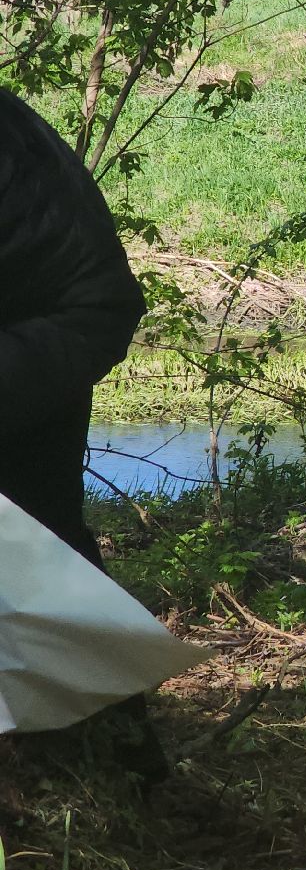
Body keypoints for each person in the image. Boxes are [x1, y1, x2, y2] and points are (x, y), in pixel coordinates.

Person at [0, 89, 159, 777]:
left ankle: (112, 746)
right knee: (39, 521)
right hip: (56, 308)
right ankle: (104, 744)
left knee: (35, 532)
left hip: (59, 319)